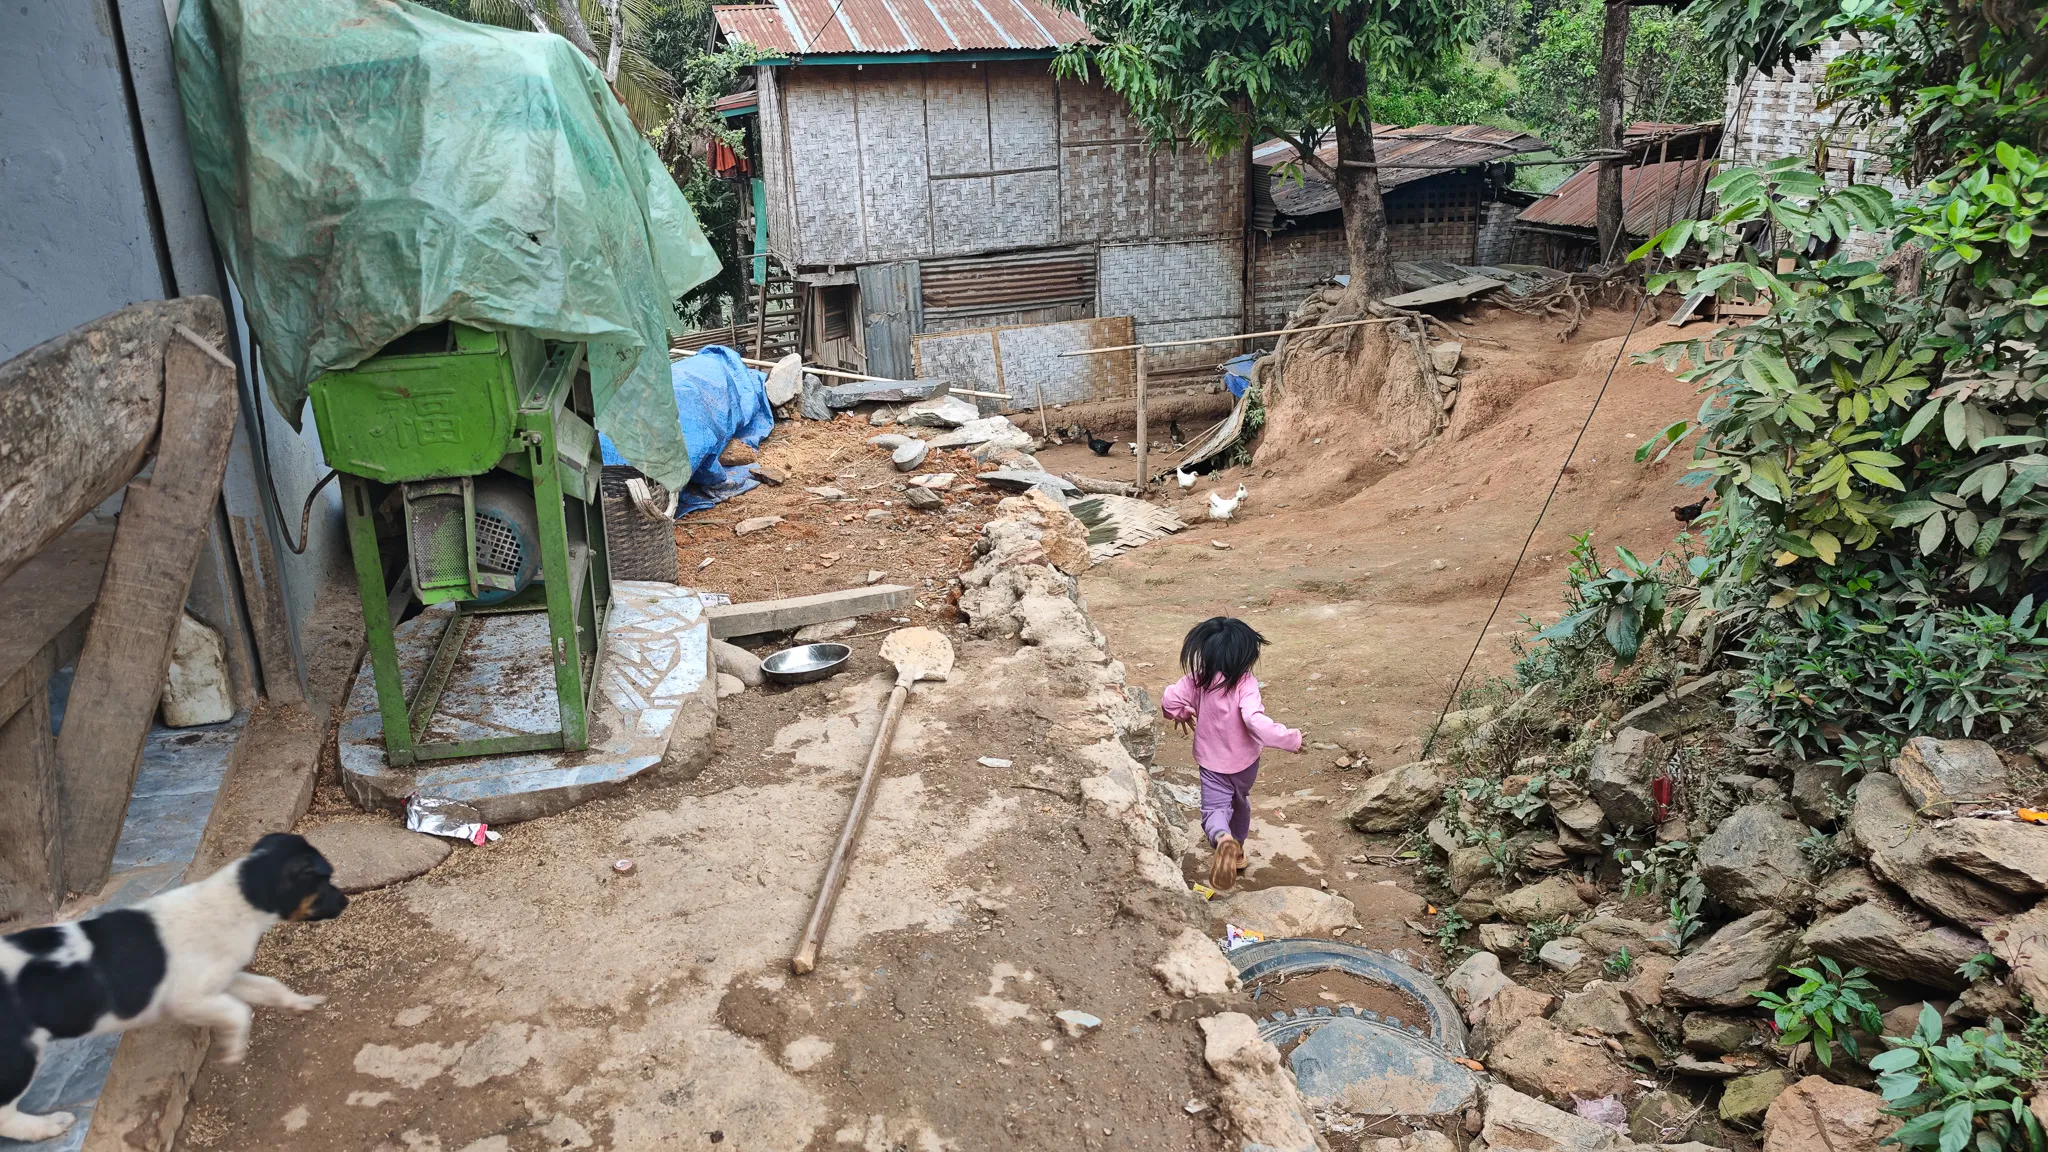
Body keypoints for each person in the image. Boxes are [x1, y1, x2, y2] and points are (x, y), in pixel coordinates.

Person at [1160, 617, 1303, 891]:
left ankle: (1222, 838)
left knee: (1215, 808)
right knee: (1239, 802)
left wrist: (1180, 713)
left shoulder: (1198, 678)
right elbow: (1254, 721)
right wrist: (1291, 739)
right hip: (1245, 764)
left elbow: (1169, 700)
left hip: (1211, 763)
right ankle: (1236, 850)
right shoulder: (1246, 683)